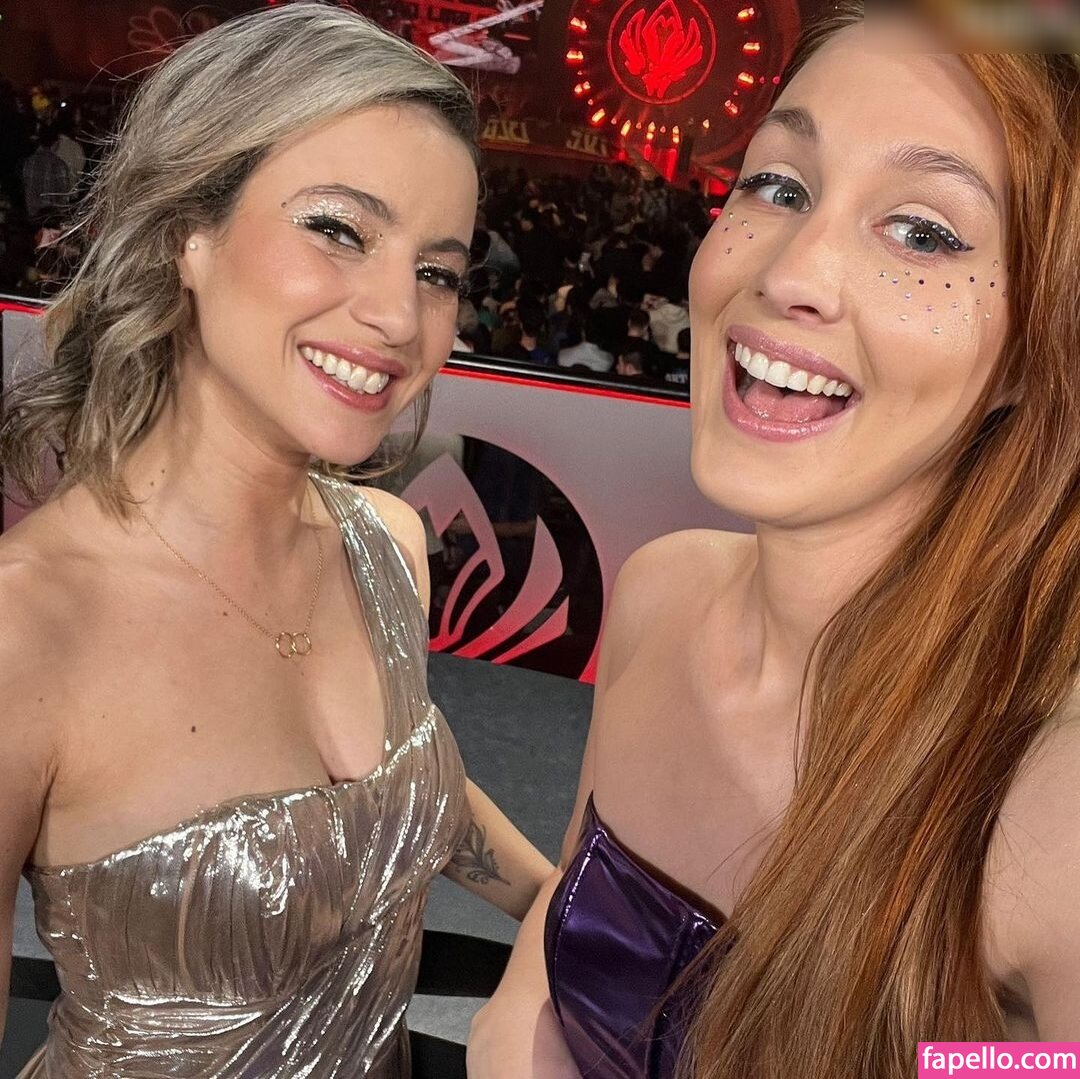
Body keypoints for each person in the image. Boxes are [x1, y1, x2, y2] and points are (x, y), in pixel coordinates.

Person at [470, 3, 1080, 1077]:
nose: (790, 272)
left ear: (1039, 348)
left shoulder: (1052, 796)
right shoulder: (660, 593)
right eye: (780, 187)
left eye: (923, 232)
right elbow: (558, 948)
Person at [0, 6, 550, 1077]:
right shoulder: (27, 630)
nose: (400, 317)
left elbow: (407, 787)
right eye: (339, 229)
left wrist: (566, 904)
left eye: (438, 272)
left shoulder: (389, 543)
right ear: (188, 233)